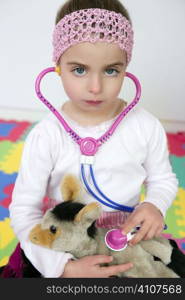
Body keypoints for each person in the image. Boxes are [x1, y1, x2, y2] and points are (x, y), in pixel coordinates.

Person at [9, 0, 178, 278]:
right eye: (79, 70)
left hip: (124, 243)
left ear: (126, 67)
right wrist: (63, 268)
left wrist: (154, 205)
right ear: (58, 66)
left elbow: (163, 179)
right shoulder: (47, 135)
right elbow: (24, 209)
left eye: (111, 70)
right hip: (63, 247)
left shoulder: (145, 126)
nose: (96, 87)